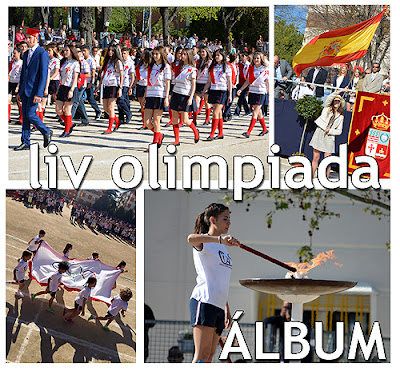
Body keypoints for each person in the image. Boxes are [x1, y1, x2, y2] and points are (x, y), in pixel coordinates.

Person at [187, 203, 240, 363]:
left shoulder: (224, 248)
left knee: (209, 357)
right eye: (225, 219)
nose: (229, 222)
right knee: (201, 357)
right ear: (213, 220)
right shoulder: (206, 242)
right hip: (205, 301)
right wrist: (219, 240)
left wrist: (227, 308)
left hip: (218, 306)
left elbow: (220, 280)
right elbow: (190, 238)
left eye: (229, 219)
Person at [14, 27, 52, 151]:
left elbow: (43, 75)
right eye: (27, 37)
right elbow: (23, 73)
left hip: (34, 91)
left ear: (36, 38)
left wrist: (39, 93)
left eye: (30, 38)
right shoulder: (26, 54)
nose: (28, 40)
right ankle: (25, 141)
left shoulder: (42, 53)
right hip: (25, 89)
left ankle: (46, 131)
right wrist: (20, 89)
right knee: (25, 116)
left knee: (30, 114)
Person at [309, 88, 348, 178]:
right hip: (320, 133)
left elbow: (339, 131)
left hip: (330, 137)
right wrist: (340, 91)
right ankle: (310, 177)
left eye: (338, 101)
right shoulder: (326, 108)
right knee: (316, 158)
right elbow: (330, 97)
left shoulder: (340, 117)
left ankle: (324, 179)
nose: (336, 102)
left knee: (327, 160)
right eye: (335, 101)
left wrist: (330, 131)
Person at [169, 48, 199, 146]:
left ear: (189, 56)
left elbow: (193, 85)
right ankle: (177, 140)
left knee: (185, 120)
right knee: (174, 117)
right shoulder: (179, 67)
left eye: (185, 54)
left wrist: (191, 98)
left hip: (185, 94)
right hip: (176, 92)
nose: (182, 56)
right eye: (181, 54)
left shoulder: (192, 69)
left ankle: (195, 131)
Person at [144, 46, 172, 149]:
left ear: (161, 55)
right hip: (150, 94)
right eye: (154, 54)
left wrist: (166, 98)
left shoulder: (166, 67)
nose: (155, 56)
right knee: (147, 122)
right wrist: (145, 95)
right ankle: (159, 135)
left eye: (157, 54)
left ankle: (155, 142)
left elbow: (167, 83)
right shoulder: (151, 66)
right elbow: (148, 82)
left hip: (159, 95)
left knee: (156, 120)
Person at [201, 49, 232, 141]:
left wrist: (230, 95)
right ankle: (220, 133)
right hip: (213, 90)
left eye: (218, 55)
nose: (216, 57)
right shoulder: (212, 67)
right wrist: (204, 90)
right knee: (218, 113)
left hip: (222, 91)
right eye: (215, 55)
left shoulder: (227, 67)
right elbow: (209, 81)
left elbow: (229, 82)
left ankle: (212, 133)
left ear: (223, 56)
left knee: (214, 113)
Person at [237, 51, 269, 137]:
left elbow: (267, 82)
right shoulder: (251, 68)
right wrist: (241, 89)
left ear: (261, 59)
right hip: (252, 92)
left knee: (254, 112)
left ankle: (248, 132)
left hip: (261, 92)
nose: (256, 60)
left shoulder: (264, 69)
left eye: (258, 58)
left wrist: (268, 94)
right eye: (254, 58)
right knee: (259, 113)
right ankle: (265, 129)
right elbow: (248, 80)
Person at [95, 45, 124, 134]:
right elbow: (103, 74)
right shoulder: (107, 61)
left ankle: (110, 127)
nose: (110, 52)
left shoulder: (118, 62)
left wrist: (120, 87)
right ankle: (117, 120)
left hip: (114, 85)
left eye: (112, 50)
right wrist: (98, 86)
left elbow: (121, 75)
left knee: (111, 107)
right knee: (106, 108)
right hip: (106, 85)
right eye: (109, 50)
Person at [56, 44, 80, 137]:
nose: (65, 52)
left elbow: (75, 78)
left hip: (70, 87)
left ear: (71, 52)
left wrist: (72, 90)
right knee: (58, 109)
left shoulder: (75, 63)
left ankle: (66, 130)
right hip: (62, 86)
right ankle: (69, 123)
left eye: (67, 50)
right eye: (64, 51)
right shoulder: (63, 62)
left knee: (67, 110)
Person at [193, 46, 212, 125]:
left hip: (206, 83)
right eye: (200, 52)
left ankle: (207, 119)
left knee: (206, 102)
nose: (202, 53)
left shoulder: (210, 62)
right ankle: (194, 120)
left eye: (203, 52)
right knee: (196, 101)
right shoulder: (198, 61)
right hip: (198, 83)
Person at [133, 49, 151, 129]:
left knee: (145, 105)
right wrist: (132, 85)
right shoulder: (140, 64)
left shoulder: (151, 65)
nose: (142, 55)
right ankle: (145, 121)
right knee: (141, 105)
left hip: (147, 86)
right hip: (140, 85)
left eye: (144, 53)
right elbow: (137, 76)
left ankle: (147, 122)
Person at [82, 45, 101, 120]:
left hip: (89, 81)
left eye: (85, 51)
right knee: (79, 98)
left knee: (90, 98)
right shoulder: (82, 59)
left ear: (88, 52)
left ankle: (98, 111)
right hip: (83, 81)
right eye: (82, 51)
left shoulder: (91, 60)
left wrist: (91, 82)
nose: (83, 53)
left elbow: (93, 72)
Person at [117, 47, 135, 125]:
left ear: (128, 54)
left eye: (125, 53)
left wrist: (131, 86)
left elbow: (132, 75)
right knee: (118, 101)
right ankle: (121, 117)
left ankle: (128, 113)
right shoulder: (119, 62)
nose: (123, 55)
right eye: (122, 53)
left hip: (125, 83)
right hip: (118, 82)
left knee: (121, 99)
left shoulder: (130, 63)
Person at [222, 53, 239, 122]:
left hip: (235, 85)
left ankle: (228, 114)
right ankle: (225, 114)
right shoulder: (229, 66)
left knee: (230, 101)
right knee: (228, 101)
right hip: (230, 85)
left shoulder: (236, 66)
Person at [8, 47, 23, 124]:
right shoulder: (12, 62)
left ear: (19, 53)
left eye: (15, 53)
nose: (13, 54)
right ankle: (7, 117)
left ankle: (21, 118)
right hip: (11, 82)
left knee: (19, 101)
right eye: (13, 53)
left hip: (18, 82)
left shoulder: (21, 63)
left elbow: (22, 75)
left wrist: (18, 86)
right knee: (7, 99)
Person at [234, 51, 251, 117]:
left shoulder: (249, 65)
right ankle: (247, 110)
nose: (241, 57)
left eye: (243, 56)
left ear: (246, 57)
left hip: (246, 83)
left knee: (241, 97)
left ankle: (237, 111)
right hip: (240, 82)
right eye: (241, 56)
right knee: (242, 97)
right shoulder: (240, 65)